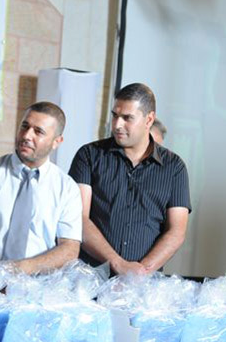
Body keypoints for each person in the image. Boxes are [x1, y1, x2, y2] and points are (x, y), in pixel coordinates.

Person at [69, 83, 191, 275]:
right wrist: (118, 264)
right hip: (89, 279)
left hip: (144, 282)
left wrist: (140, 272)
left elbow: (176, 232)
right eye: (115, 115)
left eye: (127, 118)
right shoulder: (89, 155)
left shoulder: (174, 168)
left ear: (149, 119)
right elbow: (79, 218)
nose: (117, 124)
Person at [0, 102, 82, 274]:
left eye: (38, 132)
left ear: (57, 141)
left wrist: (21, 269)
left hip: (36, 285)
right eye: (24, 126)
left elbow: (69, 250)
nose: (27, 135)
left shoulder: (67, 189)